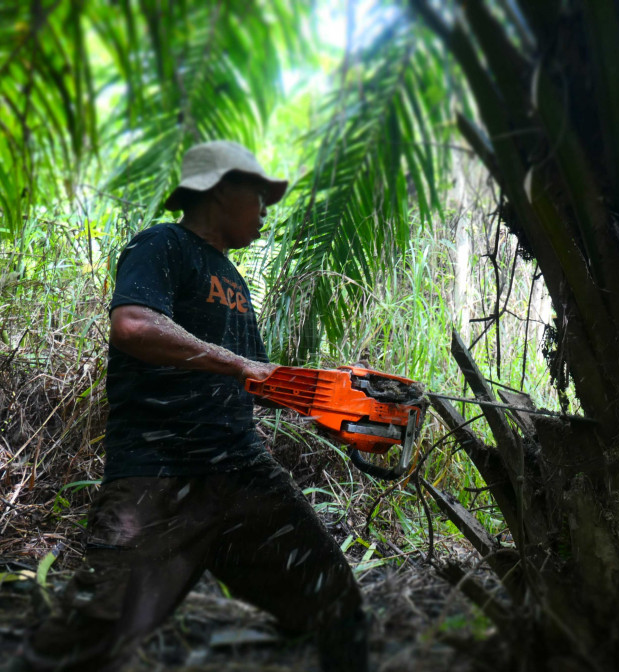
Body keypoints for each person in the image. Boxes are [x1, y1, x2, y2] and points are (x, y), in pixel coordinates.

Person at [19, 141, 367, 672]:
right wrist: (236, 362)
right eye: (257, 194)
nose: (265, 210)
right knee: (86, 637)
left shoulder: (235, 281)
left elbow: (255, 380)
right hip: (158, 477)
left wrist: (334, 410)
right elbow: (133, 325)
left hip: (242, 472)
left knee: (334, 598)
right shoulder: (162, 245)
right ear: (222, 190)